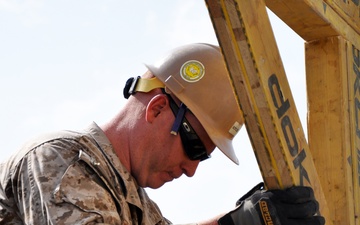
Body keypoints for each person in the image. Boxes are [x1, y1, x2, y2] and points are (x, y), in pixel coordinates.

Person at [0, 43, 324, 225]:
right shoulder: (62, 162)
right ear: (156, 109)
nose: (192, 169)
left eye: (204, 156)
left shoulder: (132, 200)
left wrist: (242, 220)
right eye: (195, 146)